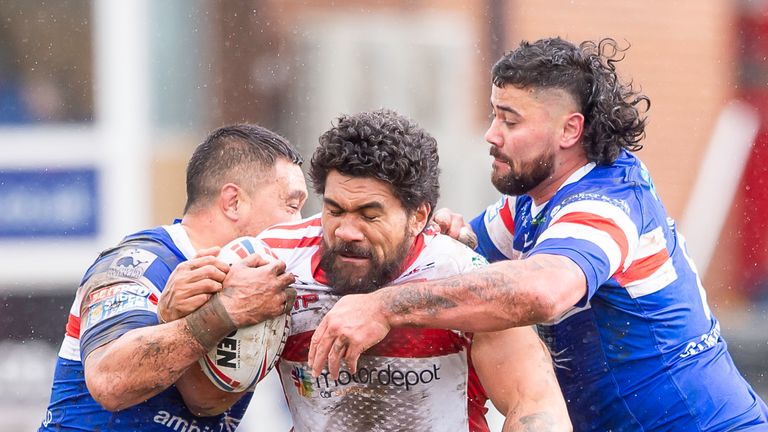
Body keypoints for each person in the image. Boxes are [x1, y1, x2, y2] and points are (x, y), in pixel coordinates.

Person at [307, 38, 768, 431]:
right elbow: (463, 259)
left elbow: (542, 292)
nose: (491, 135)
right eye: (493, 115)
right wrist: (446, 236)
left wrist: (384, 306)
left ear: (570, 129)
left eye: (510, 120)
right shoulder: (533, 198)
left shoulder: (605, 203)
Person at [162, 109, 571, 431]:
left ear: (418, 217)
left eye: (369, 215)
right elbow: (205, 400)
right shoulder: (270, 263)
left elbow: (533, 404)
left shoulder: (459, 274)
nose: (346, 231)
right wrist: (188, 319)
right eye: (334, 209)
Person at [39, 124, 308, 431]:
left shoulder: (259, 290)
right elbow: (109, 382)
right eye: (291, 205)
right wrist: (221, 314)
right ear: (233, 202)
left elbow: (204, 403)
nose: (297, 224)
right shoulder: (140, 263)